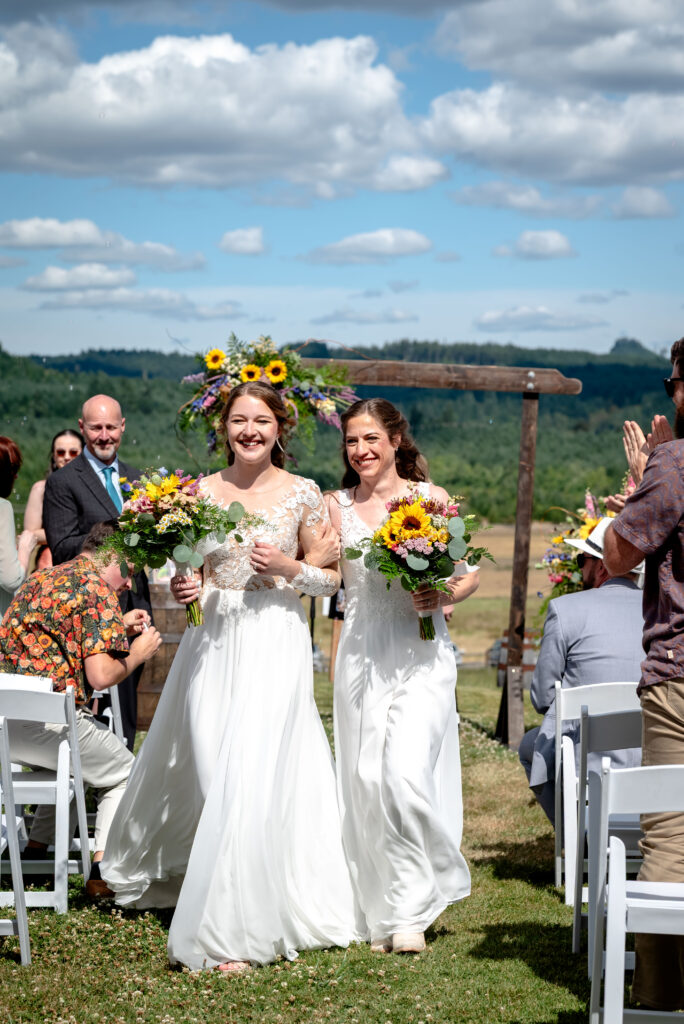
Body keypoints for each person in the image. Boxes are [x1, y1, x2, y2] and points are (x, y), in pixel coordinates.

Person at [101, 380, 361, 972]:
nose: (250, 431)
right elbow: (186, 570)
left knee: (253, 770)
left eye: (262, 421)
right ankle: (219, 887)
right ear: (224, 428)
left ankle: (233, 930)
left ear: (280, 429)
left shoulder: (304, 494)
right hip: (211, 640)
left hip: (274, 637)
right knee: (217, 766)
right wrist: (187, 584)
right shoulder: (197, 494)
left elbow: (330, 582)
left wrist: (291, 566)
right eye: (240, 420)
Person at [322, 398, 478, 956]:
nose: (360, 450)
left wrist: (442, 593)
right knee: (365, 784)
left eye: (370, 439)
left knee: (404, 775)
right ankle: (387, 910)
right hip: (362, 658)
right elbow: (318, 577)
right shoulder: (334, 507)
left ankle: (416, 905)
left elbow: (468, 574)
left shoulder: (433, 502)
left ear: (394, 440)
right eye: (350, 441)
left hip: (422, 656)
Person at [0, 521, 162, 898]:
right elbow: (102, 675)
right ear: (115, 557)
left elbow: (59, 632)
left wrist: (117, 625)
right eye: (130, 573)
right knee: (124, 773)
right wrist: (139, 653)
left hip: (8, 725)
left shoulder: (42, 578)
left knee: (67, 762)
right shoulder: (96, 589)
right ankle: (102, 870)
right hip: (51, 724)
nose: (127, 585)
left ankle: (35, 853)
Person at [604, 336, 684, 1012]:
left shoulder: (676, 463)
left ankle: (659, 1002)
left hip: (681, 675)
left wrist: (647, 476)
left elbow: (620, 556)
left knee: (671, 840)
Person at [518, 517, 644, 825]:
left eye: (582, 559)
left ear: (602, 566)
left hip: (588, 758)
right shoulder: (664, 615)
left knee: (530, 744)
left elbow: (544, 697)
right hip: (654, 750)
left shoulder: (566, 610)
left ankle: (578, 839)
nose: (579, 568)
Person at [43, 395, 152, 750]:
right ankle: (83, 786)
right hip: (87, 607)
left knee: (128, 705)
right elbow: (62, 547)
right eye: (96, 428)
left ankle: (119, 787)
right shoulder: (63, 482)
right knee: (93, 705)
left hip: (135, 601)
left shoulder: (138, 479)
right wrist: (121, 536)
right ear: (82, 427)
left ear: (123, 427)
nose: (104, 436)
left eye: (110, 427)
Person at [23, 428, 83, 571]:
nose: (67, 457)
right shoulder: (40, 489)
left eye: (73, 452)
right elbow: (29, 534)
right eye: (61, 452)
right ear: (54, 456)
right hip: (50, 561)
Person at [0, 436, 38, 618]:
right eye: (13, 469)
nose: (16, 476)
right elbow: (11, 578)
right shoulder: (2, 508)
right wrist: (25, 548)